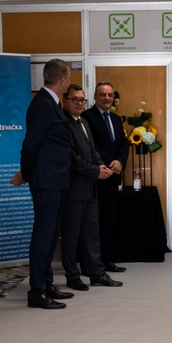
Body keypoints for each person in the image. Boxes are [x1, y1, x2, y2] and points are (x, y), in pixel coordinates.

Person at [10, 59, 74, 309]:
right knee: (44, 236)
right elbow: (30, 144)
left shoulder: (50, 102)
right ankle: (36, 292)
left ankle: (46, 284)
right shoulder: (43, 104)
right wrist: (27, 173)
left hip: (55, 179)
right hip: (46, 180)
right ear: (63, 79)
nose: (68, 82)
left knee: (50, 235)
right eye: (68, 78)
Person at [59, 84, 122, 290]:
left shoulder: (83, 121)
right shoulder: (62, 123)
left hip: (90, 189)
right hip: (73, 191)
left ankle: (97, 274)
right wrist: (96, 171)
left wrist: (101, 165)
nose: (79, 103)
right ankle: (72, 276)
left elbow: (92, 150)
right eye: (75, 99)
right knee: (71, 237)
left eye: (82, 100)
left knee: (92, 234)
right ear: (64, 101)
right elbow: (71, 157)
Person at [82, 82, 129, 273]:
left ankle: (106, 260)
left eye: (110, 95)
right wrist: (111, 162)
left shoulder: (116, 119)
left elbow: (124, 144)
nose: (107, 98)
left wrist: (121, 162)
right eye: (103, 94)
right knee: (93, 223)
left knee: (109, 221)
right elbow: (91, 146)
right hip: (96, 178)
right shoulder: (87, 117)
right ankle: (89, 263)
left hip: (113, 178)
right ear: (95, 97)